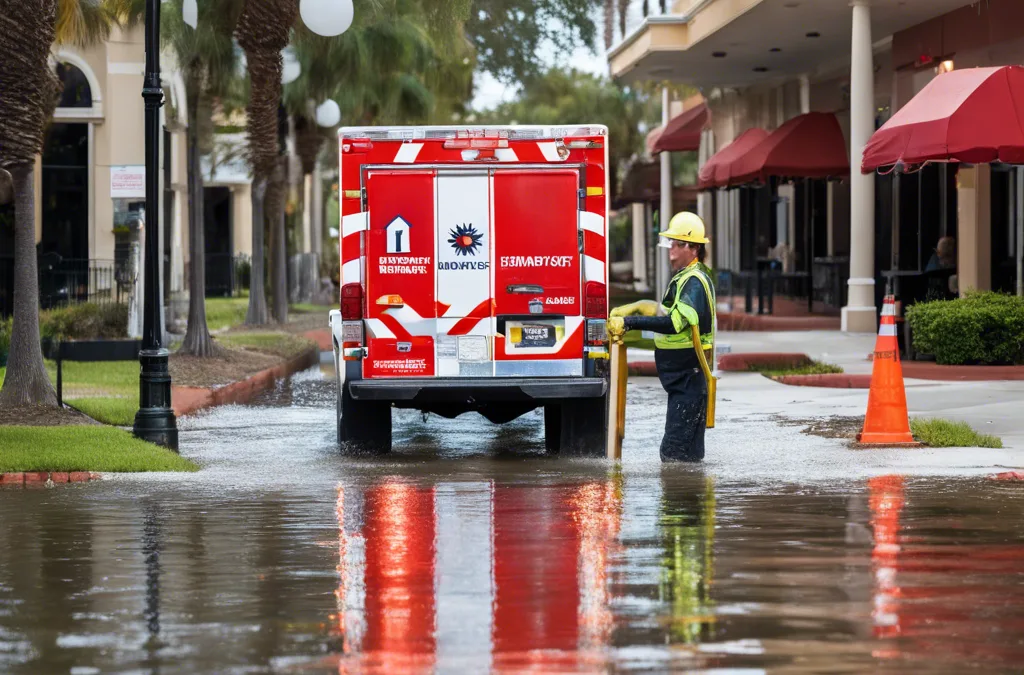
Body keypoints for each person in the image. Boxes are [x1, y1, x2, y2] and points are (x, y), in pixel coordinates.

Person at [607, 212, 716, 462]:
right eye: (671, 244)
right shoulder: (686, 277)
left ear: (693, 248)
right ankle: (690, 497)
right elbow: (667, 313)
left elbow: (674, 324)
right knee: (685, 456)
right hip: (685, 381)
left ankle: (681, 498)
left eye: (676, 244)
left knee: (673, 455)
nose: (671, 250)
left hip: (689, 380)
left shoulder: (694, 282)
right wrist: (641, 307)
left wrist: (629, 322)